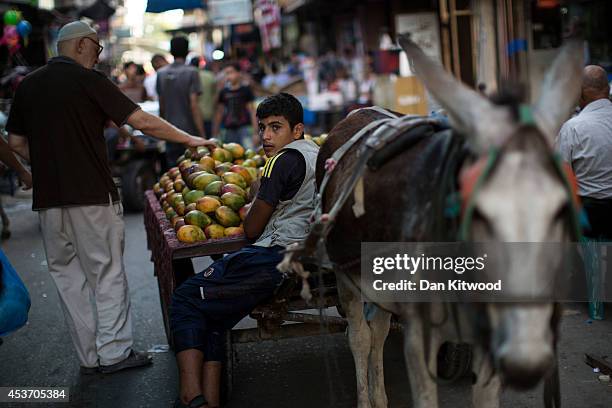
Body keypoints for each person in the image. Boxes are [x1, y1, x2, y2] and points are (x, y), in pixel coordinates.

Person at [5, 20, 215, 374]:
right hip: (91, 195)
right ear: (83, 44)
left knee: (67, 278)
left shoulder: (29, 86)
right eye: (98, 48)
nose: (99, 56)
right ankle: (115, 353)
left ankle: (89, 357)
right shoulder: (89, 81)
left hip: (49, 202)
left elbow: (15, 144)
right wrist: (191, 140)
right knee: (106, 272)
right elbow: (142, 122)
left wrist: (40, 166)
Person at [170, 93, 319, 408]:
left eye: (275, 127)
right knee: (216, 317)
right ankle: (208, 400)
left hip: (272, 257)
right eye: (263, 127)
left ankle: (189, 394)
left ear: (296, 130)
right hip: (302, 252)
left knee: (185, 298)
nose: (266, 136)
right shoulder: (316, 153)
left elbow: (251, 229)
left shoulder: (281, 161)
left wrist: (254, 203)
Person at [556, 65, 612, 240]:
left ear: (580, 93)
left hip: (589, 215)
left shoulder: (572, 128)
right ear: (608, 89)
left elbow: (561, 176)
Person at [157, 36, 205, 165]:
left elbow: (161, 105)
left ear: (171, 52)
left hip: (169, 131)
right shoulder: (192, 72)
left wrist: (161, 129)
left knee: (173, 174)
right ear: (188, 51)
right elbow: (194, 105)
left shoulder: (161, 74)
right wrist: (202, 134)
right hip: (190, 132)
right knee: (193, 172)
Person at [212, 62, 259, 147]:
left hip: (244, 128)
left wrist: (255, 133)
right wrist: (215, 133)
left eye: (231, 72)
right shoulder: (224, 92)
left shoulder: (245, 90)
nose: (229, 76)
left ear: (239, 73)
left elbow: (252, 111)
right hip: (228, 130)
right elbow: (219, 112)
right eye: (226, 73)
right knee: (230, 156)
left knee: (248, 153)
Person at [190, 56, 217, 139]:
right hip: (208, 113)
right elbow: (215, 94)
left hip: (193, 116)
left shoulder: (189, 76)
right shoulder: (210, 76)